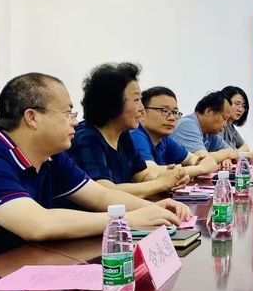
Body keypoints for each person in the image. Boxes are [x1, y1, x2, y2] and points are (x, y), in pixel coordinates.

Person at [0, 73, 190, 270]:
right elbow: (37, 224)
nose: (75, 122)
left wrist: (153, 209)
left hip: (24, 269)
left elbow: (100, 196)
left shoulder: (52, 157)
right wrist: (126, 220)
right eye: (68, 113)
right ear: (32, 117)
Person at [68, 62, 188, 198]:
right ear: (112, 103)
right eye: (136, 100)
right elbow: (105, 191)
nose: (142, 108)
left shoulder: (123, 134)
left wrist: (170, 178)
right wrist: (160, 183)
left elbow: (142, 176)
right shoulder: (86, 138)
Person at [130, 86, 218, 177]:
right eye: (165, 111)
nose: (172, 118)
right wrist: (201, 168)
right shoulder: (135, 135)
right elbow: (149, 172)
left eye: (175, 112)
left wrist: (201, 163)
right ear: (142, 113)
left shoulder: (164, 139)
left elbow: (192, 159)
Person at [170, 90, 240, 166]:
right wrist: (227, 154)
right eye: (224, 118)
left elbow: (232, 152)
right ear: (208, 111)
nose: (225, 125)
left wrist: (226, 158)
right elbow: (202, 160)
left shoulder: (209, 132)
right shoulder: (187, 125)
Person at [220, 85, 253, 159]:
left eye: (244, 106)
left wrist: (236, 153)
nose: (241, 109)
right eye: (237, 104)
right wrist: (247, 154)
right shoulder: (219, 126)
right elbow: (222, 153)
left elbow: (245, 146)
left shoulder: (231, 126)